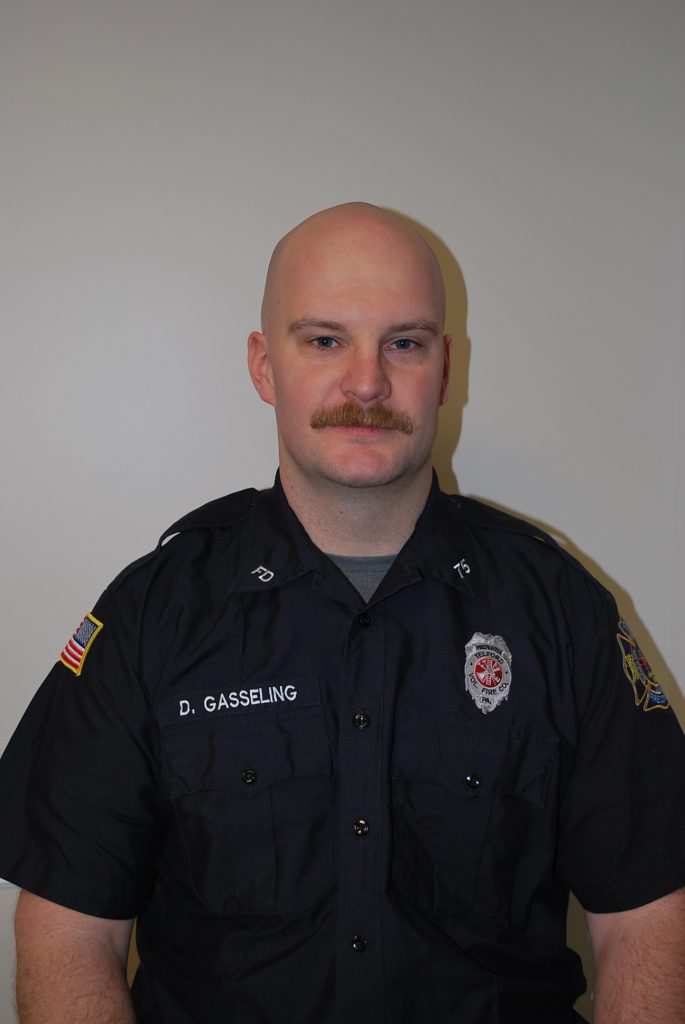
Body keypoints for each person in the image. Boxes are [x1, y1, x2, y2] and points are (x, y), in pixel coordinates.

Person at [1, 202, 683, 1024]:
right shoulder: (153, 615)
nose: (366, 383)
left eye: (404, 343)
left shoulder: (557, 609)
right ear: (264, 367)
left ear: (444, 369)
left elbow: (649, 917)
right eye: (324, 340)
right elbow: (70, 929)